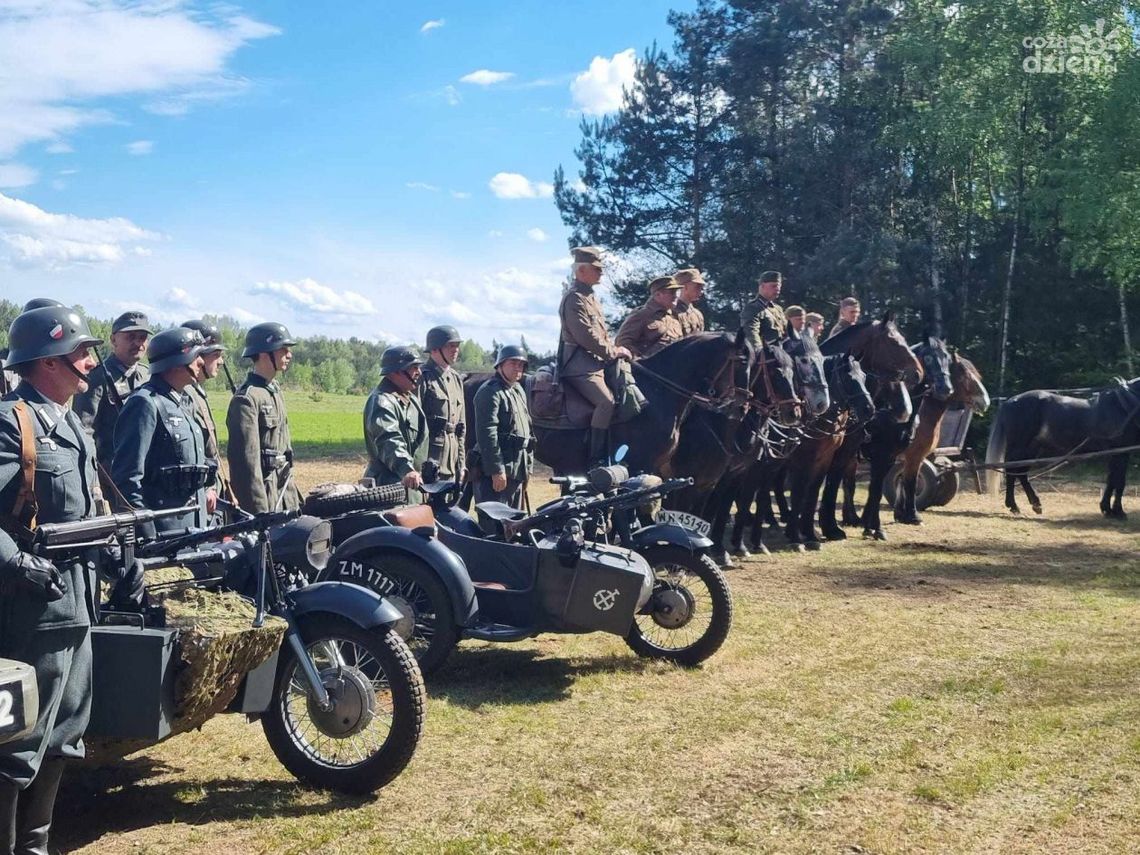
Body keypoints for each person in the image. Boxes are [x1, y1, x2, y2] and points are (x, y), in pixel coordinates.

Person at [0, 306, 110, 854]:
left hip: (77, 602)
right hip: (31, 610)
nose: (91, 360)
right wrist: (16, 561)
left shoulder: (71, 425)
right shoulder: (11, 422)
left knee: (66, 733)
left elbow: (90, 509)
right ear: (47, 360)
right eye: (81, 352)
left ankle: (36, 846)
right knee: (18, 739)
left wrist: (124, 557)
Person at [111, 328, 215, 537]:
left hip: (193, 529)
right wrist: (148, 534)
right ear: (177, 361)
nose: (202, 363)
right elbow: (127, 479)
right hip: (163, 534)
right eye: (196, 357)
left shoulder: (183, 402)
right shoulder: (144, 403)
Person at [558, 246, 632, 466]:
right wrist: (613, 351)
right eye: (596, 269)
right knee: (606, 403)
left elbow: (601, 333)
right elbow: (585, 336)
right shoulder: (575, 299)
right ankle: (595, 458)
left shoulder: (590, 297)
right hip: (579, 366)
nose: (601, 273)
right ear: (581, 271)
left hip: (595, 363)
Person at [226, 322, 302, 513]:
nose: (289, 354)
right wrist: (259, 513)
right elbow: (246, 467)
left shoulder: (274, 391)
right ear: (264, 354)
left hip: (284, 493)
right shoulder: (247, 399)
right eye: (283, 349)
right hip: (266, 499)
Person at [71, 310, 151, 465]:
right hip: (110, 473)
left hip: (145, 470)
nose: (138, 343)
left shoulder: (148, 375)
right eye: (130, 337)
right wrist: (94, 477)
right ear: (113, 340)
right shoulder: (96, 377)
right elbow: (85, 431)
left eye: (143, 338)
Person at [180, 319, 235, 508]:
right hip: (197, 497)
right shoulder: (185, 394)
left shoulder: (197, 392)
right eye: (216, 354)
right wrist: (204, 489)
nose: (221, 361)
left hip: (210, 495)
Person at [473, 345, 532, 507]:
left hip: (517, 469)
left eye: (521, 364)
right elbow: (487, 434)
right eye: (513, 363)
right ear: (500, 365)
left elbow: (528, 431)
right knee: (494, 525)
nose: (517, 368)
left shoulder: (518, 390)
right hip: (498, 470)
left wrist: (527, 469)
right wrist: (496, 470)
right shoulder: (490, 392)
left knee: (515, 525)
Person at [363, 346, 428, 489]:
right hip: (388, 487)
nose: (419, 372)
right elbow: (388, 440)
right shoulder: (382, 401)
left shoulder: (409, 398)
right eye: (414, 367)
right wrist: (406, 469)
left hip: (411, 484)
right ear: (396, 371)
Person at [418, 326, 466, 483]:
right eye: (450, 346)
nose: (456, 350)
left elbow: (460, 428)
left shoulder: (456, 379)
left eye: (457, 346)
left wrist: (461, 463)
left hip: (451, 462)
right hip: (429, 460)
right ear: (435, 350)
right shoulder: (422, 377)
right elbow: (413, 425)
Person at [615, 276, 685, 359]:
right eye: (672, 292)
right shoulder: (642, 314)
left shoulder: (674, 319)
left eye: (677, 292)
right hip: (644, 368)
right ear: (658, 294)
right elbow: (622, 343)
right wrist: (638, 360)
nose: (676, 296)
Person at [740, 270, 789, 351]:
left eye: (779, 286)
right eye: (773, 286)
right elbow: (751, 332)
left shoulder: (778, 309)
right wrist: (759, 351)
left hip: (782, 352)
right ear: (762, 286)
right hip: (766, 355)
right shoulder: (753, 308)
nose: (777, 289)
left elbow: (786, 332)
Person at [674, 268, 707, 336]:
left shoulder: (698, 315)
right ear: (684, 287)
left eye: (701, 287)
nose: (701, 290)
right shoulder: (672, 312)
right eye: (697, 287)